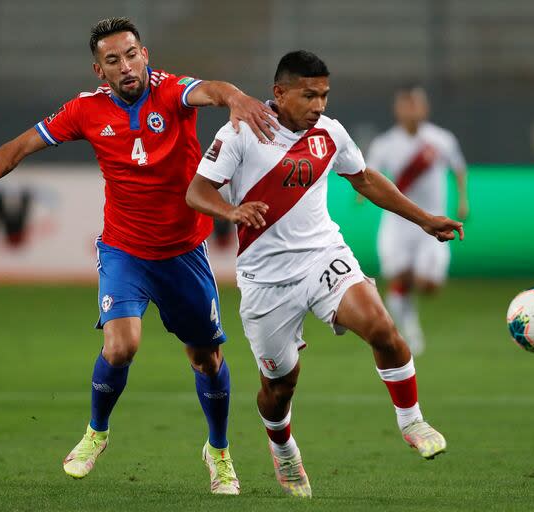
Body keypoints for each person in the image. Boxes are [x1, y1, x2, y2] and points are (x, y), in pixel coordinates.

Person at [0, 17, 279, 496]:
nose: (126, 66)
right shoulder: (85, 110)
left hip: (183, 253)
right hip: (124, 250)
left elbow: (211, 90)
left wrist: (237, 98)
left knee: (206, 359)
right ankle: (96, 433)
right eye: (113, 60)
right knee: (121, 346)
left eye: (132, 54)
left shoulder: (171, 93)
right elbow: (20, 146)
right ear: (99, 70)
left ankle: (219, 451)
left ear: (145, 55)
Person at [185, 51, 463, 498]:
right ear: (280, 93)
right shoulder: (240, 132)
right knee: (279, 387)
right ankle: (283, 447)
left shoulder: (330, 133)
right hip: (266, 279)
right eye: (309, 95)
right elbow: (197, 192)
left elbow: (366, 179)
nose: (319, 105)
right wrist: (232, 210)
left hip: (322, 256)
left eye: (325, 95)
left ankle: (412, 420)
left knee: (381, 328)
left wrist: (425, 219)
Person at [365, 86, 468, 355]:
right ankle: (409, 329)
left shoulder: (441, 140)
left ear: (425, 107)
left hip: (433, 223)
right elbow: (368, 174)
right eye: (406, 104)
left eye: (416, 104)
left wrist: (462, 200)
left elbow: (459, 168)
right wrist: (361, 196)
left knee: (428, 285)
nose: (411, 109)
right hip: (398, 224)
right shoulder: (385, 144)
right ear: (397, 109)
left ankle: (406, 296)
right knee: (398, 276)